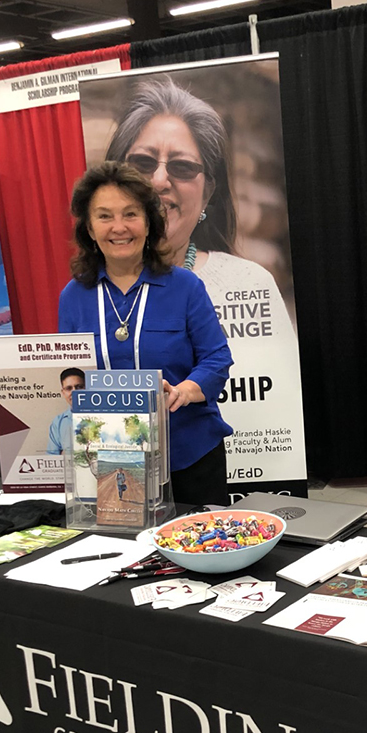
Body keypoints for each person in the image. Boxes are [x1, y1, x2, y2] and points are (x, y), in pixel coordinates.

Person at [103, 76, 300, 466]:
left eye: (181, 167)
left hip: (221, 474)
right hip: (121, 477)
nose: (159, 181)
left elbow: (281, 407)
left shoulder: (251, 283)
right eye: (142, 163)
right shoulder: (87, 291)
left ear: (209, 191)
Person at [58, 160, 233, 505]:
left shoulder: (185, 286)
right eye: (104, 216)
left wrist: (185, 390)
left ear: (149, 223)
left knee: (197, 550)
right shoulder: (73, 297)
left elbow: (216, 357)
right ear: (90, 229)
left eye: (130, 214)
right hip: (111, 459)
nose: (119, 227)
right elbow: (69, 373)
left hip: (188, 452)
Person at [47, 367, 86, 455]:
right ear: (63, 392)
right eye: (69, 388)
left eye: (79, 387)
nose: (74, 392)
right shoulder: (58, 423)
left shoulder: (103, 416)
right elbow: (52, 458)